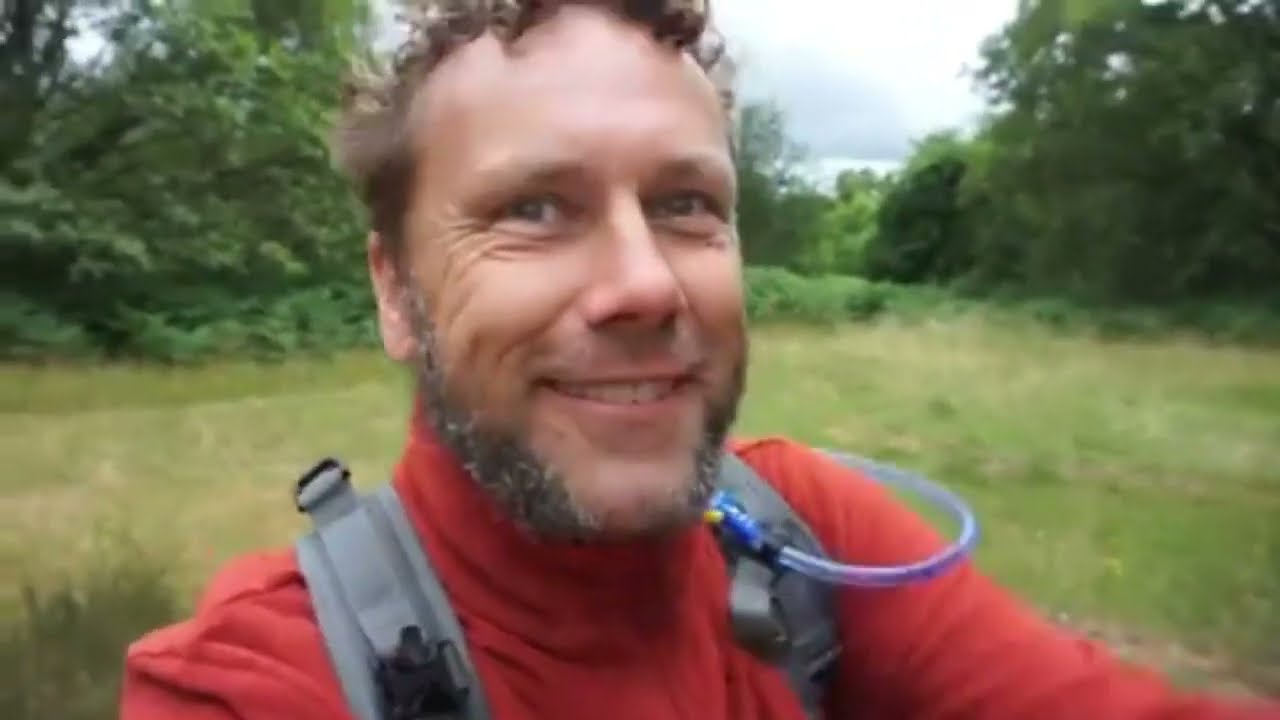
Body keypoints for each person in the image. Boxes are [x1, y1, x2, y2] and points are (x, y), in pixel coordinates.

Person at [119, 2, 1278, 718]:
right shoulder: (256, 684)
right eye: (532, 207)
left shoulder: (807, 535)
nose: (646, 284)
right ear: (395, 293)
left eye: (684, 204)